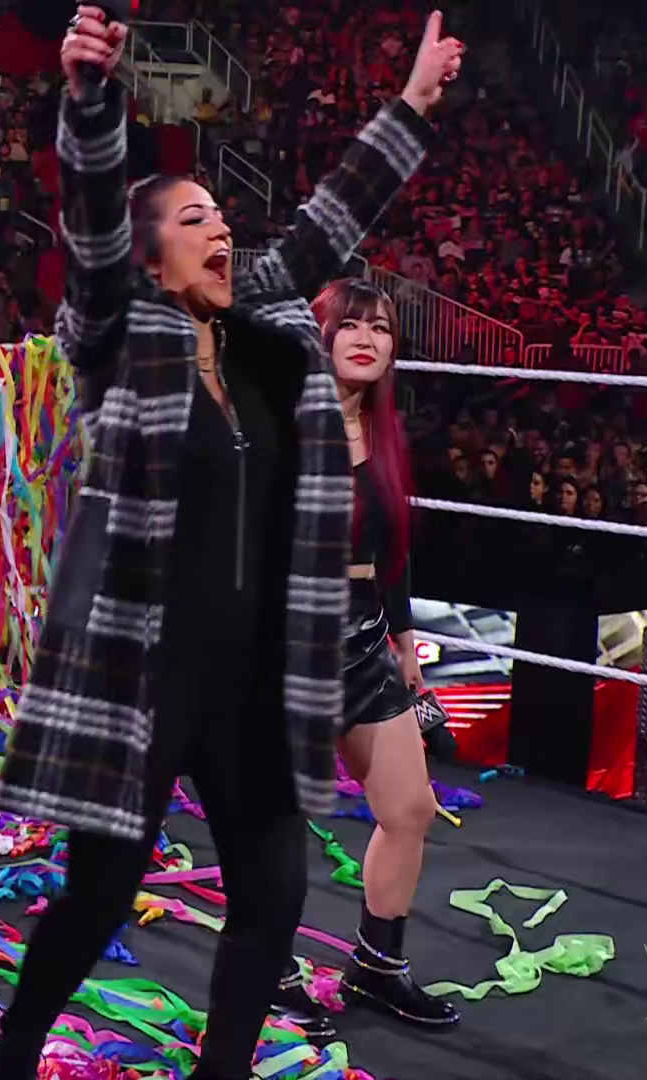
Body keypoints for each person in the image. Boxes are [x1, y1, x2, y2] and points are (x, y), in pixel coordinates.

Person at [0, 7, 460, 1078]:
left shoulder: (257, 336)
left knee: (275, 895)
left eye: (223, 218)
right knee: (100, 893)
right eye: (196, 218)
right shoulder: (117, 332)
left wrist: (412, 104)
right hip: (144, 676)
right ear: (151, 255)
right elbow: (92, 215)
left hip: (252, 677)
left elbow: (320, 233)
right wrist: (92, 99)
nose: (222, 232)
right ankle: (14, 1053)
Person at [288, 277, 458, 1027]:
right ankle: (269, 973)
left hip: (361, 635)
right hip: (285, 639)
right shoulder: (279, 426)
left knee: (410, 807)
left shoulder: (386, 434)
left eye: (381, 328)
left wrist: (405, 641)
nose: (366, 339)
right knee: (277, 827)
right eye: (351, 325)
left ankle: (377, 967)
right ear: (321, 336)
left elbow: (394, 553)